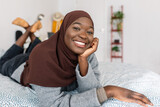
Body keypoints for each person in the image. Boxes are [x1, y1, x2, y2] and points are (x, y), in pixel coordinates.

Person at [1, 11, 153, 107]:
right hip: (20, 65)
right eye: (76, 28)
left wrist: (83, 61)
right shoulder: (44, 56)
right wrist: (108, 91)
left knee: (40, 46)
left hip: (44, 53)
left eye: (89, 31)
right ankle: (28, 31)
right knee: (4, 60)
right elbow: (54, 103)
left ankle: (32, 31)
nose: (83, 35)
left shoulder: (86, 53)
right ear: (63, 30)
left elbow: (89, 90)